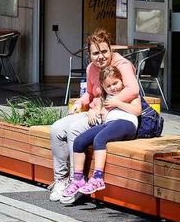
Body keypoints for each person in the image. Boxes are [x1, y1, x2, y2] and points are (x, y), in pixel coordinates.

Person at [49, 29, 139, 201]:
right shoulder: (92, 68)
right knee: (57, 128)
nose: (101, 57)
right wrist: (79, 103)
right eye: (95, 53)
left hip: (112, 115)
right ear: (89, 55)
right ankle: (61, 179)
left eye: (104, 51)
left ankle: (77, 182)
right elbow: (90, 94)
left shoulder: (122, 65)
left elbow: (133, 90)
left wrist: (107, 106)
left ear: (111, 50)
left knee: (75, 129)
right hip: (94, 110)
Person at [60, 66, 141, 204]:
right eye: (108, 86)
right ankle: (78, 179)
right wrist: (92, 111)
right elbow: (95, 108)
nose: (113, 88)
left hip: (126, 123)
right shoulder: (105, 97)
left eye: (115, 83)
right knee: (79, 141)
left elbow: (137, 110)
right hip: (109, 124)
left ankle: (98, 178)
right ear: (103, 87)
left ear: (121, 80)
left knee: (99, 139)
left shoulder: (129, 94)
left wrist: (117, 103)